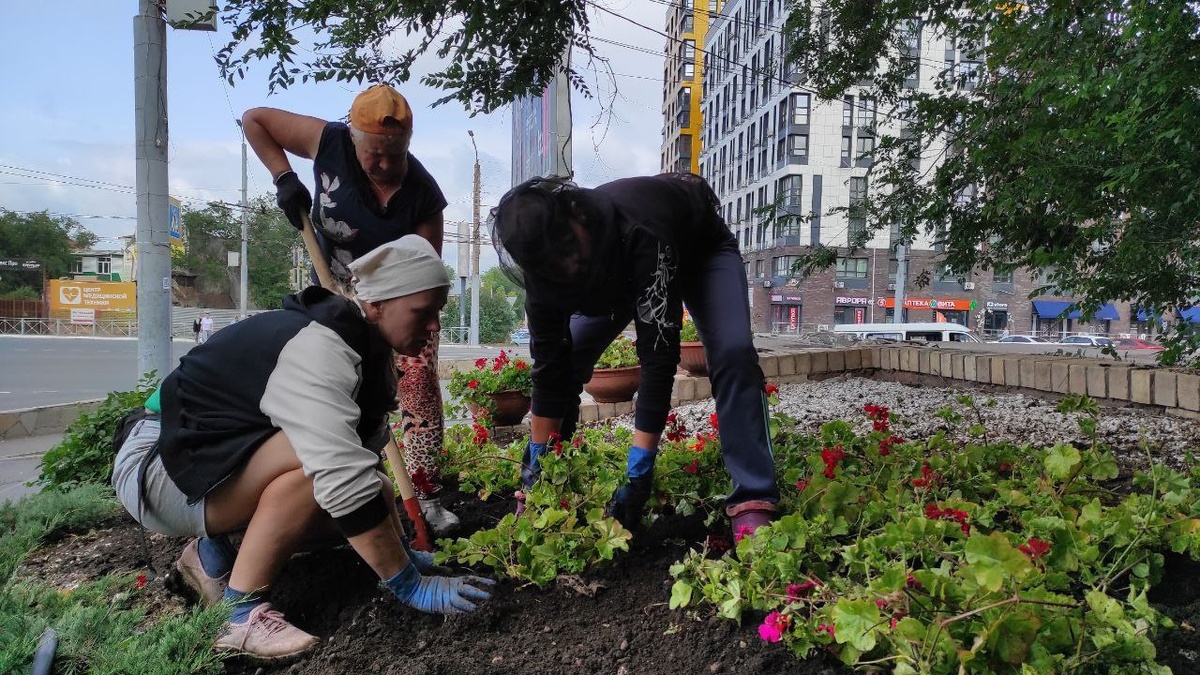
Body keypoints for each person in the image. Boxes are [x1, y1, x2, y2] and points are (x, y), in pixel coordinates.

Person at [110, 236, 493, 662]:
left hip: (205, 462)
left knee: (378, 491)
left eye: (438, 311)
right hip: (158, 464)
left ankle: (213, 552)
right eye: (423, 311)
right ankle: (237, 616)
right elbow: (338, 475)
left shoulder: (365, 344)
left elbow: (362, 474)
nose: (435, 325)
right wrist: (406, 582)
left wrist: (400, 553)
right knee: (318, 473)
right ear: (377, 304)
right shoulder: (318, 348)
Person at [489, 173, 780, 536]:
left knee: (732, 352)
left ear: (577, 215)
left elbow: (658, 360)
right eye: (552, 265)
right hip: (617, 280)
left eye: (566, 249)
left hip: (698, 250)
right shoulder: (545, 273)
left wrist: (639, 469)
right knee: (567, 361)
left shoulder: (641, 231)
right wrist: (536, 464)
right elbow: (549, 369)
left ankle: (753, 496)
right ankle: (549, 487)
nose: (565, 266)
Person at [242, 84, 457, 535]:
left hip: (398, 302)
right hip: (336, 290)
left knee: (414, 384)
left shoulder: (422, 196)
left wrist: (395, 329)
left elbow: (423, 279)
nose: (382, 165)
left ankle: (425, 495)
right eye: (373, 155)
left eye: (392, 156)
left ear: (407, 145)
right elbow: (255, 120)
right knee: (337, 387)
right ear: (354, 140)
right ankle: (357, 488)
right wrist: (285, 178)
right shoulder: (330, 142)